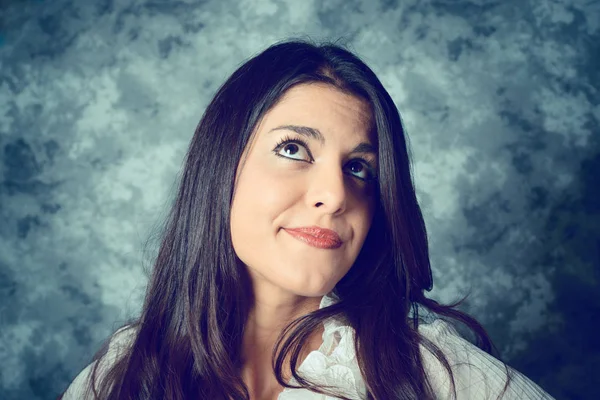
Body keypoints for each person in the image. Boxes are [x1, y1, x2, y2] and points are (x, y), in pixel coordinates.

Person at [60, 38, 556, 400]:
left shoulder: (431, 372)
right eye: (294, 148)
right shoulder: (119, 375)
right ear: (220, 169)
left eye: (359, 167)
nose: (335, 195)